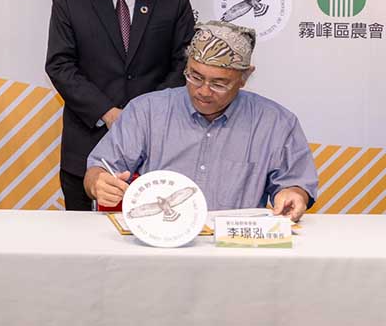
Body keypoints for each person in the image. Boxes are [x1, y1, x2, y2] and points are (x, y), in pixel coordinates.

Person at [84, 21, 319, 222]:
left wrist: (294, 194)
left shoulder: (276, 123)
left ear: (244, 77)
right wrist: (98, 182)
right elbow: (98, 170)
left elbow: (295, 184)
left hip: (236, 247)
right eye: (195, 77)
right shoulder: (146, 111)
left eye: (219, 83)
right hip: (159, 242)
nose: (204, 91)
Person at [46, 0, 195, 210]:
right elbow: (60, 65)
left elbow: (183, 62)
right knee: (82, 237)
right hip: (88, 143)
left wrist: (144, 114)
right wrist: (109, 112)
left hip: (158, 144)